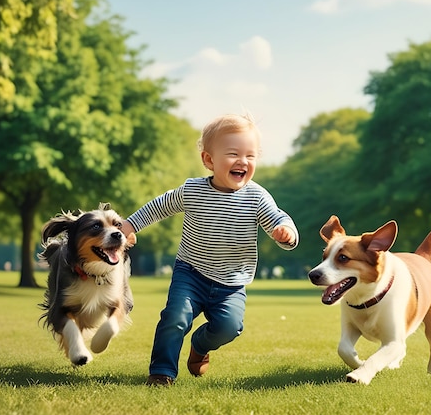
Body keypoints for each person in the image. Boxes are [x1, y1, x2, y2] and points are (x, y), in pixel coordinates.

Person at [122, 113, 299, 386]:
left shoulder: (257, 196)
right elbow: (159, 206)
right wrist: (131, 224)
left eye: (251, 156)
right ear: (209, 160)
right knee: (174, 318)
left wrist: (286, 234)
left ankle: (200, 346)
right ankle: (162, 372)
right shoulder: (192, 190)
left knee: (229, 328)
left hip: (232, 281)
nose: (243, 161)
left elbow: (278, 218)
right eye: (233, 154)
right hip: (190, 273)